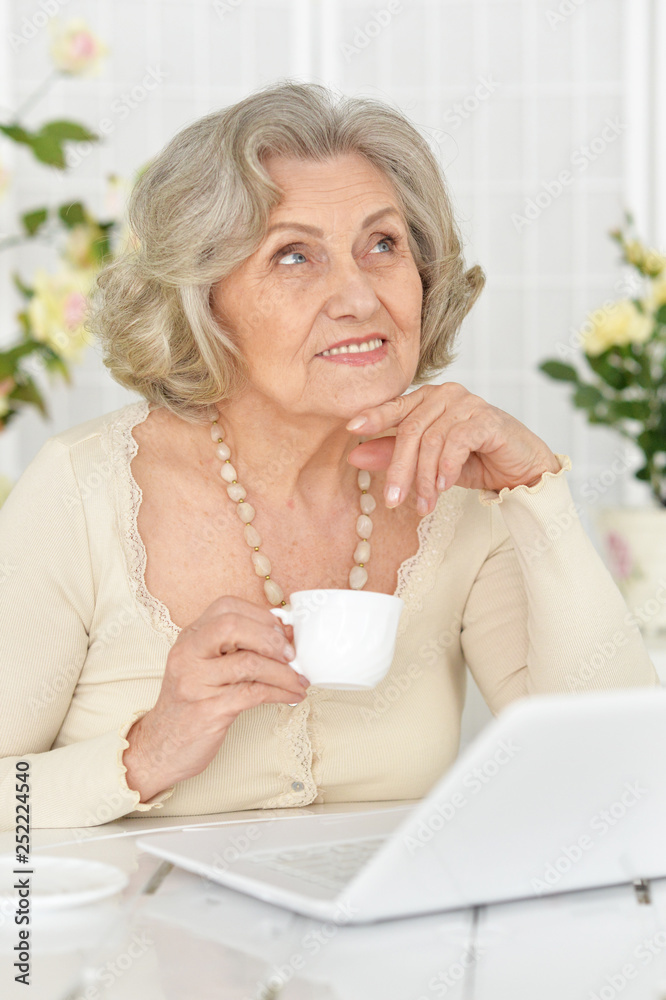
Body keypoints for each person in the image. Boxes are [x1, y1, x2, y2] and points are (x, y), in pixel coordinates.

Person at [0, 81, 658, 830]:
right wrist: (144, 755)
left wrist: (537, 491)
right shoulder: (82, 490)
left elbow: (615, 786)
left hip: (391, 946)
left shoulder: (456, 485)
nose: (359, 296)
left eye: (384, 244)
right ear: (202, 300)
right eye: (294, 256)